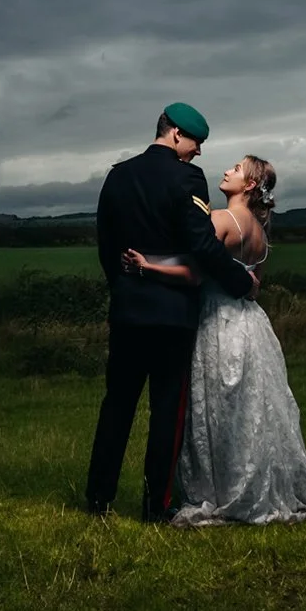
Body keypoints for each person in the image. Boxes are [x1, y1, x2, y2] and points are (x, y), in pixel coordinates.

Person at [124, 155, 306, 527]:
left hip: (218, 323)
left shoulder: (221, 220)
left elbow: (192, 275)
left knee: (217, 410)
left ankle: (220, 488)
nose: (227, 171)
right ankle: (254, 482)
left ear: (250, 186)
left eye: (236, 170)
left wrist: (146, 265)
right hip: (252, 327)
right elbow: (253, 287)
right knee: (249, 412)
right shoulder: (260, 231)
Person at [85, 103, 257, 522]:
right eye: (196, 142)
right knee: (167, 411)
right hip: (172, 313)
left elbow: (106, 245)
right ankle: (154, 505)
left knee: (117, 405)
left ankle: (98, 500)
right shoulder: (187, 178)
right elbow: (201, 244)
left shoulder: (117, 175)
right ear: (177, 133)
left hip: (127, 308)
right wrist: (240, 282)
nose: (198, 152)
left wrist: (124, 286)